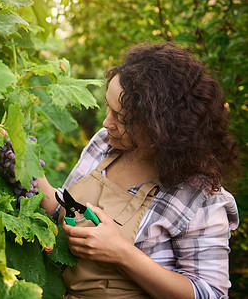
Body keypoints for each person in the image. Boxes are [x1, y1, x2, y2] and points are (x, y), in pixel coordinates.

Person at [36, 43, 240, 299]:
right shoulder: (103, 144)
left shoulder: (201, 197)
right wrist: (28, 171)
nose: (106, 122)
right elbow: (63, 210)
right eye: (108, 108)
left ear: (163, 127)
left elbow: (210, 293)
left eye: (122, 118)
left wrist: (121, 252)